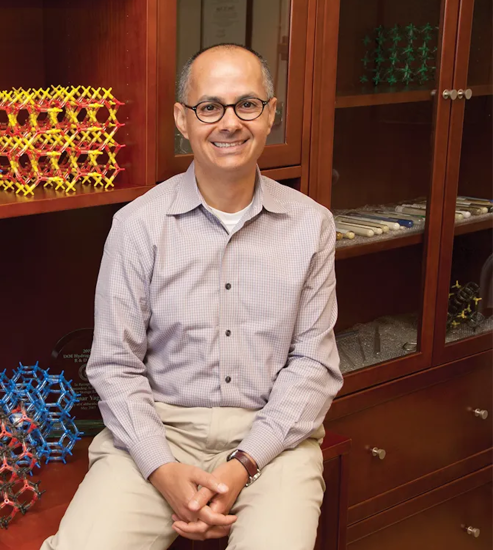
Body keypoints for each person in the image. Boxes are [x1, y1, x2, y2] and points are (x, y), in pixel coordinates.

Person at [41, 43, 343, 550]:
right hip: (158, 429)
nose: (230, 122)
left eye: (248, 104)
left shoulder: (311, 225)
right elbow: (114, 365)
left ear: (271, 115)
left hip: (273, 439)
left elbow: (313, 364)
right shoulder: (137, 226)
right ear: (183, 119)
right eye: (210, 107)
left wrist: (244, 463)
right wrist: (160, 467)